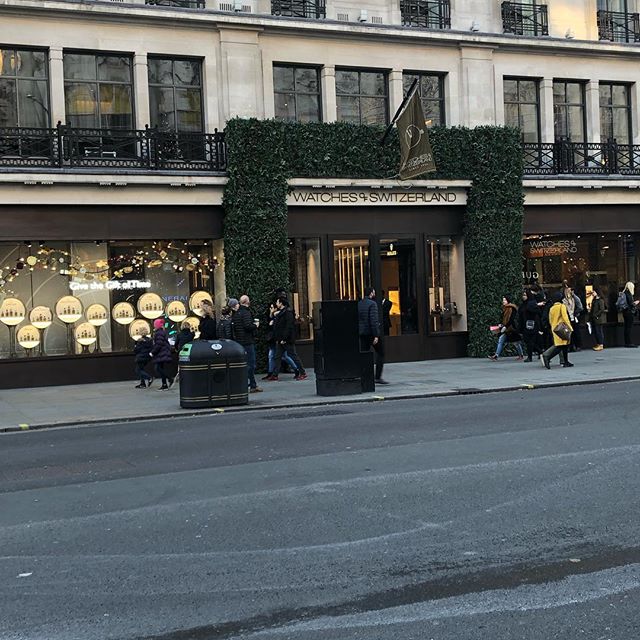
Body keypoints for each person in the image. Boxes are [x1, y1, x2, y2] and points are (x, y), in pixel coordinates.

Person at [268, 296, 307, 381]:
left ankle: (302, 372)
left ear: (281, 303)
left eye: (278, 302)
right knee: (277, 357)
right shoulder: (282, 312)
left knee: (293, 355)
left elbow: (288, 327)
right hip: (280, 339)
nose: (276, 304)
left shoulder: (287, 313)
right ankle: (275, 375)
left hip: (286, 339)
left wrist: (284, 338)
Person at [231, 295, 262, 393]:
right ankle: (249, 384)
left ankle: (250, 384)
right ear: (247, 301)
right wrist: (255, 325)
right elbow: (248, 326)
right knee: (251, 364)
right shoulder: (246, 313)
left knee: (245, 364)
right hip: (247, 341)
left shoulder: (236, 314)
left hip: (239, 341)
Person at [358, 287, 388, 384]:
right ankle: (377, 377)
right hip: (371, 333)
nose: (375, 293)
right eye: (374, 292)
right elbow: (374, 321)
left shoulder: (359, 304)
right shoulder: (373, 304)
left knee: (364, 354)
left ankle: (364, 376)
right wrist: (376, 335)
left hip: (362, 333)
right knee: (381, 353)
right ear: (371, 293)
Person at [263, 302, 298, 380]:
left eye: (272, 308)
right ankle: (272, 373)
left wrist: (283, 338)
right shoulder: (272, 316)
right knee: (274, 356)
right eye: (270, 308)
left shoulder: (280, 315)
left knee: (283, 356)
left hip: (279, 338)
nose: (271, 309)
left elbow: (282, 326)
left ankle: (296, 369)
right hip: (275, 339)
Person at [541, 292, 573, 369]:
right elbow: (565, 318)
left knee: (561, 346)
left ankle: (565, 361)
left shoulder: (552, 308)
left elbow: (550, 320)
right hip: (562, 328)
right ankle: (548, 357)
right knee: (563, 346)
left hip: (555, 329)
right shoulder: (562, 306)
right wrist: (570, 327)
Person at [488, 295, 524, 361]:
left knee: (516, 342)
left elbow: (511, 319)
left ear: (508, 301)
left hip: (512, 328)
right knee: (501, 340)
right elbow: (503, 318)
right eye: (503, 300)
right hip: (506, 329)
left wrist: (505, 326)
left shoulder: (511, 308)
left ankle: (521, 355)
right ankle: (496, 355)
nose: (503, 301)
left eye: (504, 300)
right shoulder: (505, 308)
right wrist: (501, 324)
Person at [519, 289, 543, 362]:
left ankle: (530, 357)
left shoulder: (531, 303)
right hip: (525, 326)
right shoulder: (524, 304)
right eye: (523, 295)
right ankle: (541, 353)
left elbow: (537, 312)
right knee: (528, 341)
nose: (523, 297)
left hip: (532, 326)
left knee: (530, 341)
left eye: (525, 295)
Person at [151, 318, 174, 389]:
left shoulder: (159, 333)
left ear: (157, 325)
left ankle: (169, 379)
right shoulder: (161, 332)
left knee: (158, 368)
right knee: (160, 368)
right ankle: (164, 384)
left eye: (155, 325)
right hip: (162, 352)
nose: (154, 326)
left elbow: (159, 344)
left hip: (161, 352)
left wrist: (152, 352)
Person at [563, 283, 583, 352]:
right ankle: (572, 346)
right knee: (570, 333)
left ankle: (576, 345)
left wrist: (575, 313)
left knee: (575, 332)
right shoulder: (565, 299)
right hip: (568, 317)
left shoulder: (574, 298)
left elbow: (580, 307)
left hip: (574, 317)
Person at [617, 281, 638, 347]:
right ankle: (629, 343)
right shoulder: (628, 294)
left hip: (625, 312)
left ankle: (627, 342)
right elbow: (631, 304)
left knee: (626, 327)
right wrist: (636, 303)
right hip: (629, 313)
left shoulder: (623, 293)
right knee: (629, 328)